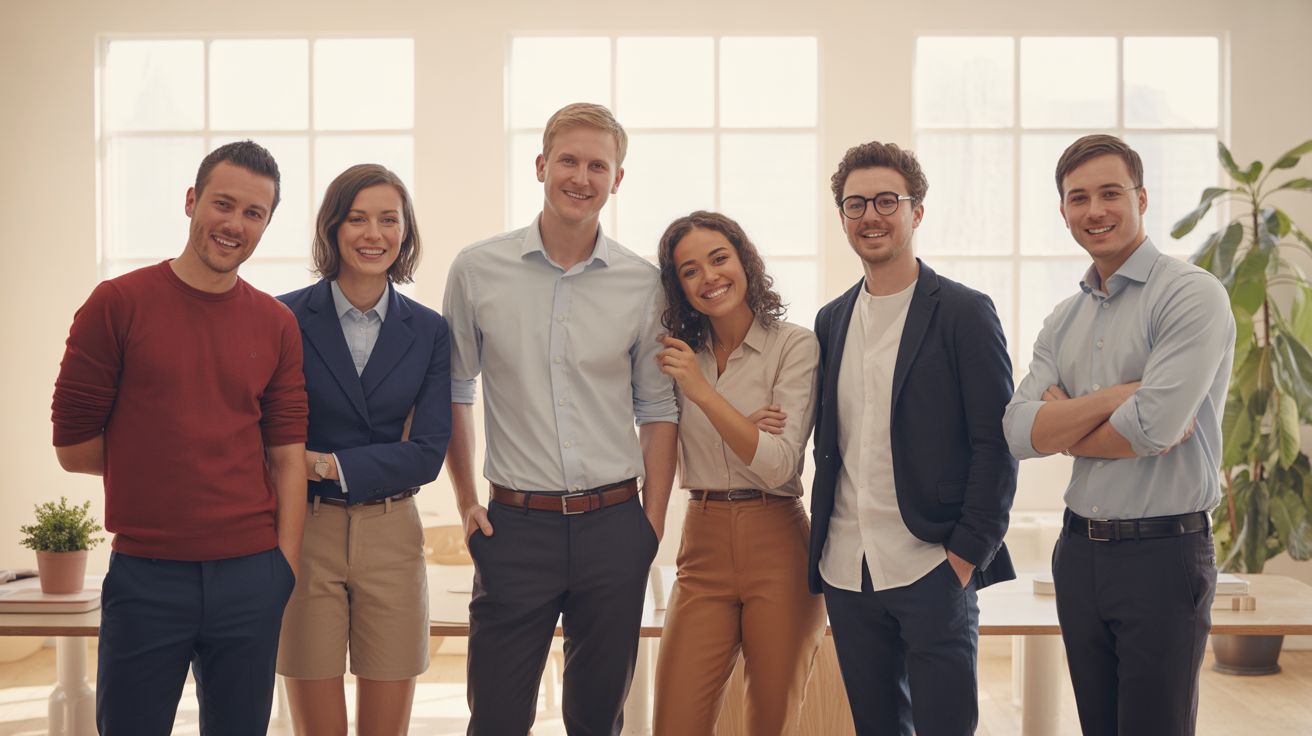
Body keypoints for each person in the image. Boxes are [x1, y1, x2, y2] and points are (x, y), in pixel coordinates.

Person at [51, 140, 308, 735]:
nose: (235, 223)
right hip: (148, 575)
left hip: (252, 574)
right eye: (223, 204)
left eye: (254, 213)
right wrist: (173, 459)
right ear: (192, 201)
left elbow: (287, 459)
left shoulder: (276, 323)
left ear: (266, 224)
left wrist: (283, 571)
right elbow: (73, 448)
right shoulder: (118, 304)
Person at [442, 102, 678, 736]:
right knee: (495, 719)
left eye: (597, 166)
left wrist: (650, 525)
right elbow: (456, 389)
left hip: (615, 527)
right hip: (515, 528)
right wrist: (465, 502)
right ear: (541, 165)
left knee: (597, 720)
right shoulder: (476, 270)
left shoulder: (643, 284)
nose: (581, 177)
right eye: (568, 160)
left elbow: (658, 408)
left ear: (617, 179)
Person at [1003, 134, 1234, 736]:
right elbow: (1018, 430)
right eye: (1078, 198)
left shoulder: (1191, 294)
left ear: (1142, 198)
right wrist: (1115, 399)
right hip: (1078, 554)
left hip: (1163, 555)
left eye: (1111, 193)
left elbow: (1153, 428)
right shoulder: (1064, 319)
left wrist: (1065, 424)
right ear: (1063, 211)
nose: (1095, 210)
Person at [808, 141, 1018, 736]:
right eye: (855, 204)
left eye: (886, 201)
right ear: (843, 217)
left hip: (932, 563)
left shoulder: (964, 312)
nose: (870, 215)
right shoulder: (831, 320)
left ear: (916, 211)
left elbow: (996, 443)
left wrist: (965, 556)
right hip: (847, 568)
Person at [275, 164, 452, 736]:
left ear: (405, 231)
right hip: (303, 530)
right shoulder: (281, 317)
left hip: (393, 533)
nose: (374, 234)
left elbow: (427, 453)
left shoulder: (430, 330)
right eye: (357, 218)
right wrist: (367, 460)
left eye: (388, 220)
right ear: (332, 227)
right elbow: (261, 435)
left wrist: (322, 462)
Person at [649, 211, 826, 735]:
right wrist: (744, 426)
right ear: (679, 286)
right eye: (690, 270)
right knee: (674, 725)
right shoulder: (677, 357)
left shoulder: (795, 345)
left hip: (779, 544)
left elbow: (778, 463)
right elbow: (656, 439)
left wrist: (704, 394)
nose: (709, 277)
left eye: (719, 258)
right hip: (701, 544)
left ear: (744, 261)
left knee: (770, 724)